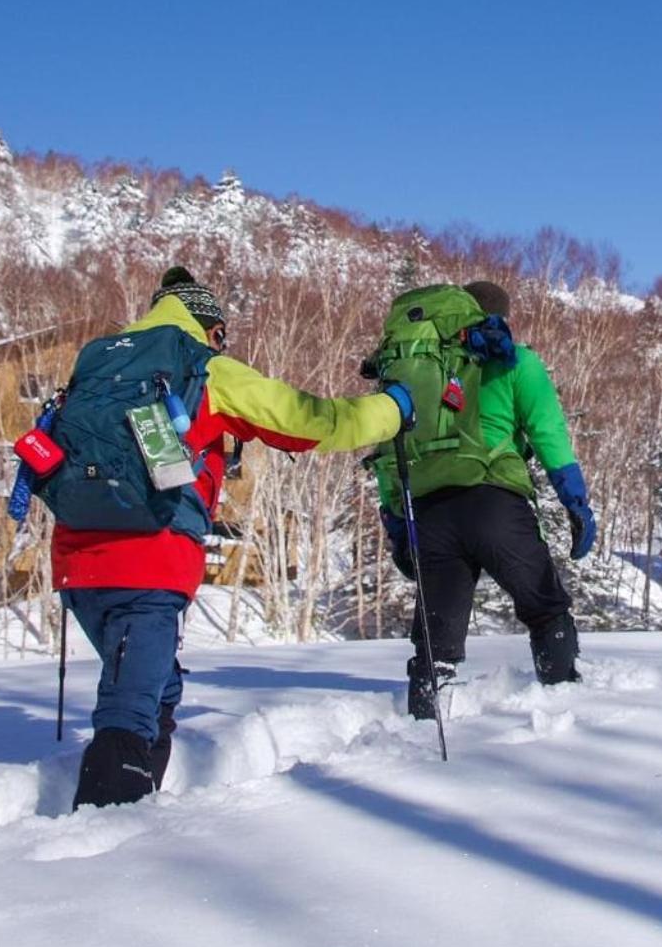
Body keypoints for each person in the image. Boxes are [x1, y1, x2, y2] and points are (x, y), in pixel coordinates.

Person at [54, 266, 413, 808]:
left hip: (78, 558)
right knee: (129, 711)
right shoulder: (203, 366)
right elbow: (313, 420)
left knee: (157, 690)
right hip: (150, 557)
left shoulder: (101, 358)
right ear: (213, 328)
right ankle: (99, 844)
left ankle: (135, 820)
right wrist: (394, 409)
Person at [382, 279, 598, 719]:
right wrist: (575, 503)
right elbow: (548, 434)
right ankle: (566, 709)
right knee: (544, 607)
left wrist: (396, 524)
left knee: (435, 640)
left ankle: (421, 728)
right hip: (494, 502)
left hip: (430, 510)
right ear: (501, 316)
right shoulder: (516, 361)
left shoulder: (417, 371)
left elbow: (391, 451)